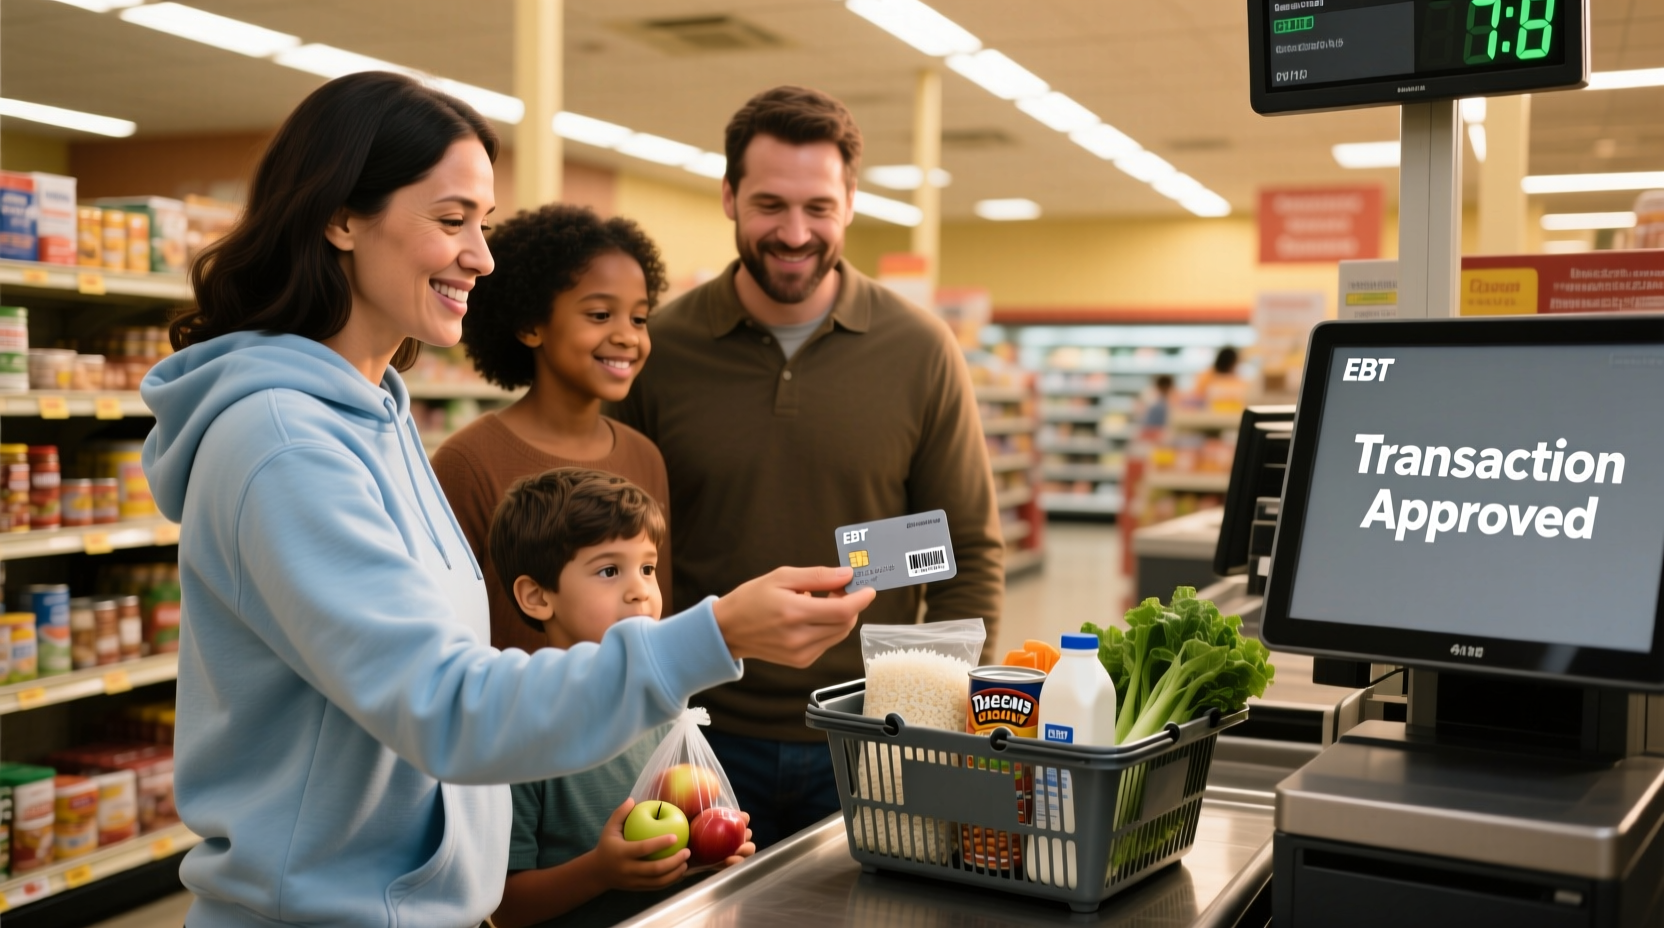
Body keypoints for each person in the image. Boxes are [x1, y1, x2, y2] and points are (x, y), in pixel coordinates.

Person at [140, 72, 874, 926]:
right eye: (451, 220)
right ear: (340, 216)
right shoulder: (286, 444)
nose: (482, 257)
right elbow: (446, 706)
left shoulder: (377, 415)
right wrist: (713, 634)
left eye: (482, 225)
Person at [612, 85, 1004, 848]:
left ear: (851, 203)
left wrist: (947, 721)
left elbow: (970, 552)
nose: (794, 233)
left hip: (873, 731)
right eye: (769, 205)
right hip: (697, 731)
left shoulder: (919, 348)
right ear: (728, 197)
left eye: (818, 207)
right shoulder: (660, 349)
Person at [489, 468, 753, 928]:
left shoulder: (662, 705)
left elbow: (679, 836)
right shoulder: (522, 724)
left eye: (648, 568)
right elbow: (506, 908)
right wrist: (601, 872)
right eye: (609, 570)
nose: (641, 591)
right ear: (536, 597)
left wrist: (701, 856)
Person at [433, 204, 672, 654]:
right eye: (600, 315)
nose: (627, 336)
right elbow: (447, 629)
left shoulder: (644, 457)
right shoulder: (468, 461)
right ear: (530, 325)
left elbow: (659, 617)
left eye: (639, 319)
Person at [1191, 346, 1248, 412]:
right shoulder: (1206, 376)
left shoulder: (1237, 378)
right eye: (1235, 363)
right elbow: (1197, 396)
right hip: (1209, 413)